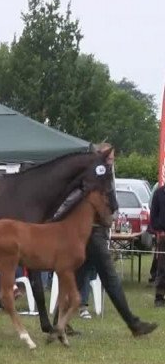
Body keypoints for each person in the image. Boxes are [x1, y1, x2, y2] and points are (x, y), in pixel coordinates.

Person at [53, 142, 157, 336]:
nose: (111, 162)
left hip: (91, 233)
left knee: (75, 278)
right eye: (109, 159)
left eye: (112, 159)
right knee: (110, 279)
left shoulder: (96, 177)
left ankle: (57, 324)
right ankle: (134, 324)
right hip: (93, 233)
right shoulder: (96, 179)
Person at [150, 181, 165, 307]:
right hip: (163, 236)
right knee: (162, 268)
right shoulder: (159, 193)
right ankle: (159, 298)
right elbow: (153, 215)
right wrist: (159, 231)